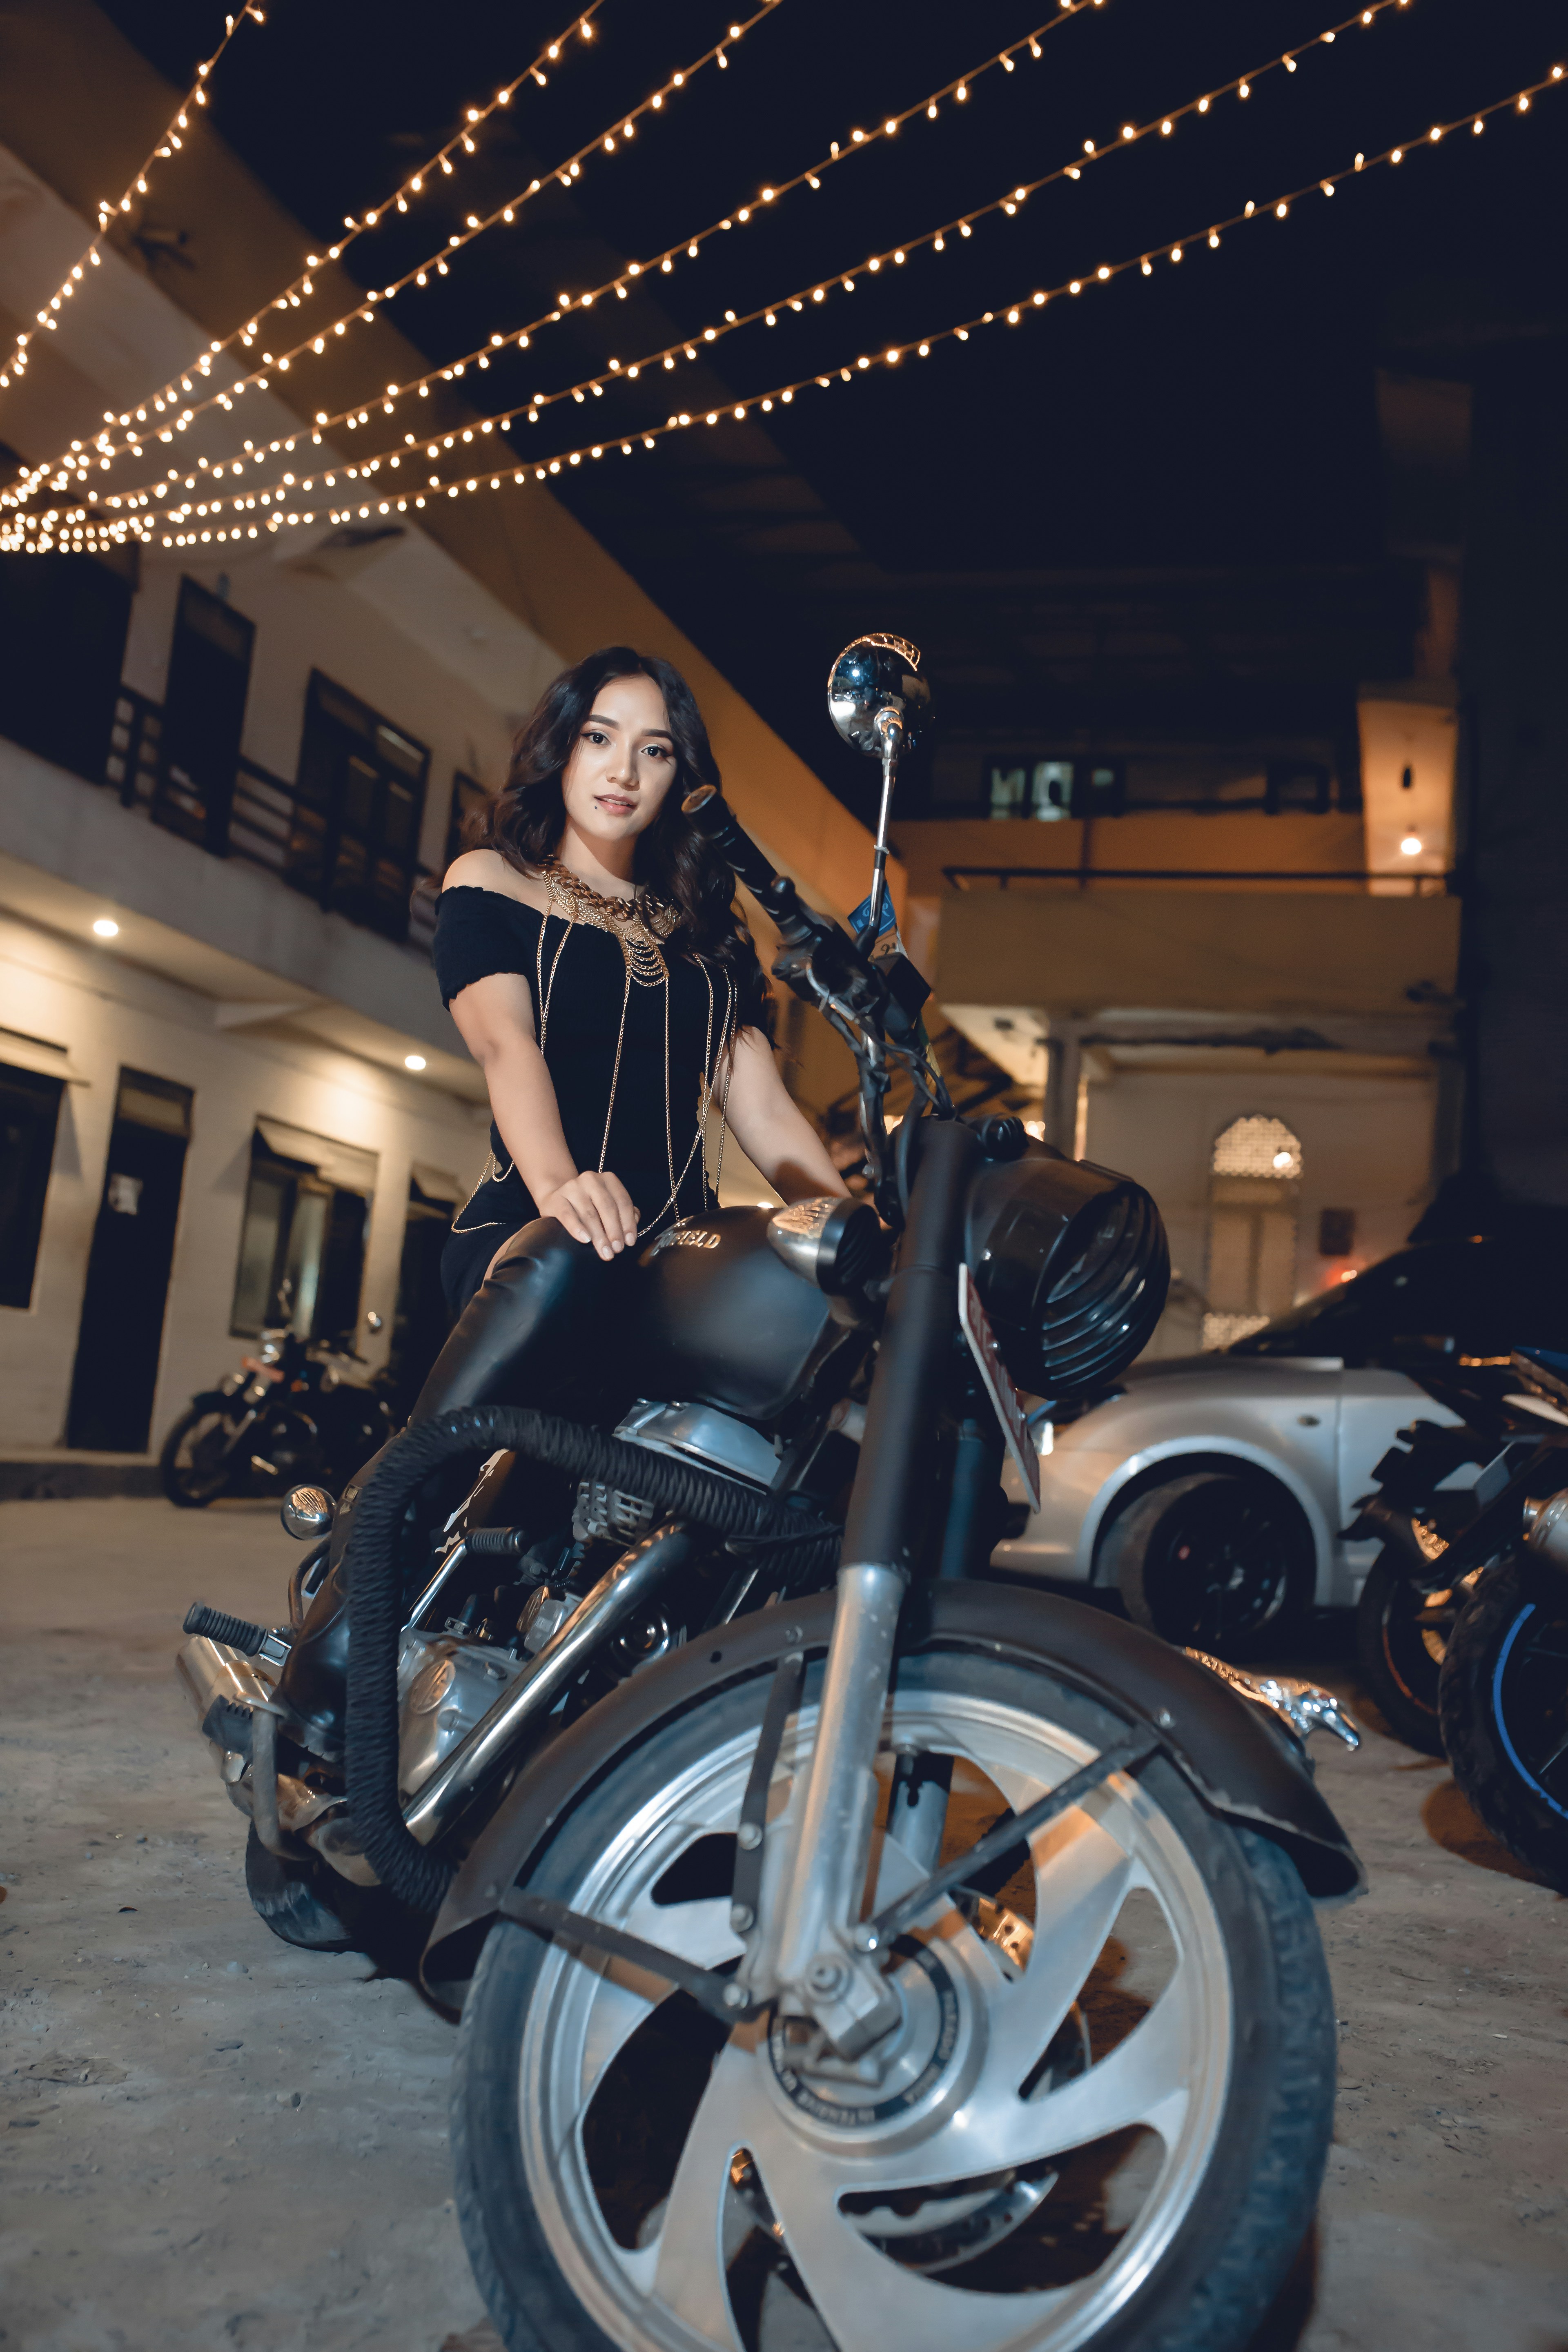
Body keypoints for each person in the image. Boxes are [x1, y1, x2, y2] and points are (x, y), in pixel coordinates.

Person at [410, 643, 848, 1421]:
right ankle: (387, 1515)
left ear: (680, 776)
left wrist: (856, 1235)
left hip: (680, 1255)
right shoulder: (493, 880)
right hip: (537, 1237)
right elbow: (504, 1044)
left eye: (656, 751)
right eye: (599, 738)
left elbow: (766, 1112)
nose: (625, 773)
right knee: (561, 1269)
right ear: (561, 748)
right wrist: (560, 1192)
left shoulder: (708, 934)